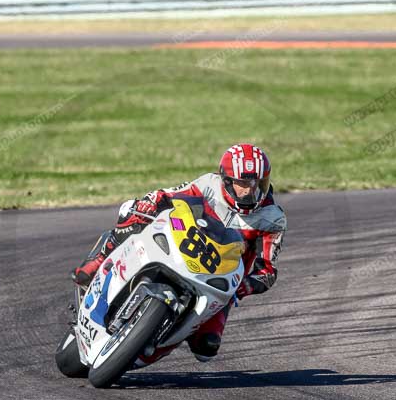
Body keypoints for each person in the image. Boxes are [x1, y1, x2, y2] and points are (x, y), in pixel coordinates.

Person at [72, 143, 287, 364]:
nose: (250, 190)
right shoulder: (208, 184)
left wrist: (240, 288)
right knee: (131, 212)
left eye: (257, 183)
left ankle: (139, 353)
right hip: (184, 247)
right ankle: (99, 259)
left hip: (219, 278)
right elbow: (168, 195)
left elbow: (268, 271)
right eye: (243, 183)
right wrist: (150, 203)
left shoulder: (272, 218)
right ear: (227, 180)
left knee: (207, 348)